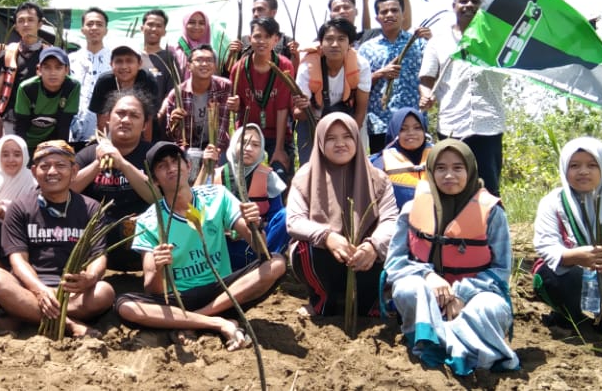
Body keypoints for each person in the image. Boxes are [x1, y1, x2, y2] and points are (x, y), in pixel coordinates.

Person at [114, 141, 286, 350]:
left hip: (224, 291)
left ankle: (194, 320)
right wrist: (159, 267)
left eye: (175, 161)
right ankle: (216, 322)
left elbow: (260, 249)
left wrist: (255, 226)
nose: (171, 168)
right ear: (154, 180)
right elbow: (152, 288)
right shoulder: (149, 221)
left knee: (276, 263)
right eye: (161, 166)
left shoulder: (217, 195)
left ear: (188, 165)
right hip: (177, 299)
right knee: (125, 306)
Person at [384, 139, 519, 375]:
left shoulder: (493, 213)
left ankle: (468, 352)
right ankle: (427, 343)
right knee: (407, 289)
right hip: (427, 294)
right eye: (440, 168)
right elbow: (394, 263)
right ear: (430, 171)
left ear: (470, 169)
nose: (449, 175)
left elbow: (501, 270)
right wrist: (427, 275)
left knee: (488, 308)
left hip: (476, 295)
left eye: (458, 168)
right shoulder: (410, 209)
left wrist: (461, 293)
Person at [0, 140, 114, 337]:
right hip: (29, 287)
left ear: (74, 170)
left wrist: (90, 278)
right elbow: (18, 260)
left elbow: (98, 256)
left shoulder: (91, 208)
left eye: (60, 165)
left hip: (72, 291)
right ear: (34, 172)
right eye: (45, 166)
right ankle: (70, 324)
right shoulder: (19, 207)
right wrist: (40, 290)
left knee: (104, 292)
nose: (52, 172)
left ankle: (24, 313)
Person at [286, 113, 398, 317]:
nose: (340, 144)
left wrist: (373, 245)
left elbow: (390, 220)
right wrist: (327, 236)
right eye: (331, 138)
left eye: (347, 136)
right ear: (320, 142)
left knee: (390, 244)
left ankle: (369, 303)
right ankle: (321, 302)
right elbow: (294, 221)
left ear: (356, 138)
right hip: (325, 256)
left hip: (365, 257)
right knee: (303, 247)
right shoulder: (305, 176)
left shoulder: (378, 179)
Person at [420, 0, 507, 196]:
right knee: (452, 187)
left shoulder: (499, 40)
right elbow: (426, 79)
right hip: (452, 125)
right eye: (464, 1)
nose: (469, 5)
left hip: (489, 124)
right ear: (454, 5)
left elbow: (536, 45)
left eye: (475, 1)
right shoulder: (438, 41)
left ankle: (490, 229)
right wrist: (426, 96)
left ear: (484, 6)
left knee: (488, 190)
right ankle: (453, 230)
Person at [533, 137, 602, 331]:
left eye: (592, 165)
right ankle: (573, 318)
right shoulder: (552, 201)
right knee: (550, 276)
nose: (583, 171)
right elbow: (546, 244)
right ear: (565, 168)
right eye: (574, 165)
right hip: (573, 271)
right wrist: (577, 256)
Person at [72, 89, 154, 271]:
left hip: (140, 238)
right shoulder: (88, 153)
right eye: (120, 113)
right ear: (108, 118)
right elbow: (65, 190)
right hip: (96, 238)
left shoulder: (153, 155)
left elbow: (156, 198)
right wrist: (97, 165)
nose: (125, 120)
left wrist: (122, 163)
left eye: (134, 115)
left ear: (145, 125)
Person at [231, 17, 305, 183]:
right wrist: (234, 106)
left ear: (276, 39)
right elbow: (237, 107)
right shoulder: (240, 68)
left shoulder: (284, 66)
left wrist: (279, 149)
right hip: (248, 135)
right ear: (250, 39)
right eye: (257, 36)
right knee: (242, 182)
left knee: (279, 176)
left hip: (276, 135)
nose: (262, 41)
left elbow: (282, 109)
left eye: (267, 36)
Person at [358, 0, 428, 154]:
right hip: (380, 124)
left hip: (413, 124)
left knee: (414, 172)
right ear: (377, 17)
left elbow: (429, 77)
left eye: (394, 10)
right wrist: (380, 74)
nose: (389, 15)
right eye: (384, 12)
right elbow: (357, 83)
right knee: (384, 172)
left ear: (403, 15)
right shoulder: (367, 48)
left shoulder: (418, 43)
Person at [295, 18, 371, 164]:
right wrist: (303, 106)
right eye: (329, 39)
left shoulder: (361, 65)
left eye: (341, 39)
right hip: (313, 123)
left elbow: (360, 110)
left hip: (347, 121)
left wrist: (350, 137)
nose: (335, 44)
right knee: (311, 169)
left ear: (350, 44)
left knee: (349, 169)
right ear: (321, 43)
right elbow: (298, 113)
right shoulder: (307, 66)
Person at [214, 124, 287, 270]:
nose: (248, 148)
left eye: (255, 145)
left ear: (261, 150)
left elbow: (276, 217)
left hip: (259, 245)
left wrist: (258, 224)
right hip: (223, 247)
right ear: (234, 144)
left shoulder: (269, 177)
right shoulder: (215, 175)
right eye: (243, 142)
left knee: (287, 215)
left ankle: (267, 261)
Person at [161, 45, 235, 155]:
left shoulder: (225, 87)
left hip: (218, 148)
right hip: (189, 150)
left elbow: (227, 123)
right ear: (188, 66)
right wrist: (174, 123)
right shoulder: (177, 94)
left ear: (215, 66)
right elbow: (173, 135)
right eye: (198, 60)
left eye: (209, 60)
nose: (204, 64)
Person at [0, 2, 49, 133]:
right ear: (16, 26)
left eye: (30, 20)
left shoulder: (50, 54)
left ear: (40, 24)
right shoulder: (7, 53)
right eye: (21, 21)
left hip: (41, 121)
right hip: (10, 120)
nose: (26, 24)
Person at [13, 47, 80, 153]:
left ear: (66, 70)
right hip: (27, 142)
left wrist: (60, 152)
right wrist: (22, 152)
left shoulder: (72, 86)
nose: (53, 73)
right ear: (39, 70)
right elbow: (21, 126)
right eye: (47, 67)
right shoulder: (27, 88)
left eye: (58, 68)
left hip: (52, 142)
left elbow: (64, 125)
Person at [88, 45, 159, 138]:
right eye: (119, 61)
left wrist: (145, 150)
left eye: (129, 61)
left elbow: (148, 120)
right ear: (111, 64)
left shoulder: (147, 80)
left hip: (142, 134)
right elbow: (102, 123)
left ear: (140, 64)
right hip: (114, 135)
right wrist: (105, 146)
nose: (124, 66)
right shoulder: (104, 82)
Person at [370, 107, 432, 209]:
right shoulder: (380, 164)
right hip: (395, 219)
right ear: (395, 133)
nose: (411, 133)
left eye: (417, 128)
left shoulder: (439, 156)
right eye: (403, 129)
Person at [70, 7, 112, 143]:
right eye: (89, 24)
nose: (94, 28)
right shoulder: (71, 60)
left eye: (99, 24)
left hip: (107, 132)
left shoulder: (115, 60)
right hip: (74, 130)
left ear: (106, 30)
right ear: (82, 29)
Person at [139, 9, 178, 129]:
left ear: (164, 32)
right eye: (150, 24)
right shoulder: (133, 56)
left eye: (158, 26)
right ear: (142, 28)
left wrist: (160, 114)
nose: (154, 29)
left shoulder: (168, 58)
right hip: (133, 117)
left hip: (157, 122)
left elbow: (173, 92)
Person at [0, 135, 35, 221]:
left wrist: (2, 211)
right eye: (5, 155)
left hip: (19, 230)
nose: (11, 160)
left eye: (17, 155)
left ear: (25, 156)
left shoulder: (31, 179)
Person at [173, 11, 212, 80]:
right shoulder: (173, 51)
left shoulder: (212, 54)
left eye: (202, 23)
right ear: (185, 24)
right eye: (192, 22)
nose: (197, 27)